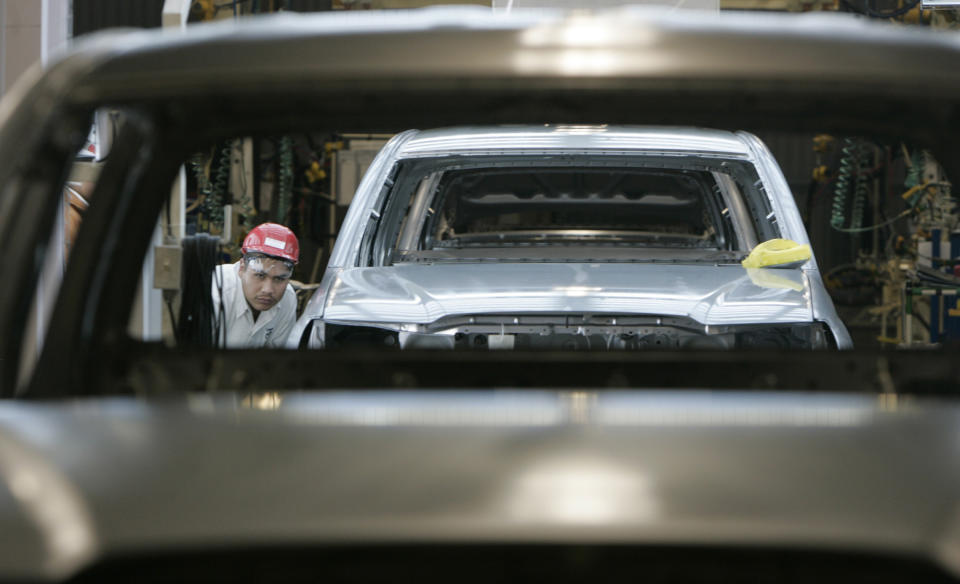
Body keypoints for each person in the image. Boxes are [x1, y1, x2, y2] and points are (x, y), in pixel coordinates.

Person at [211, 222, 299, 348]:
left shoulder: (288, 299)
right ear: (241, 268)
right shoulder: (216, 292)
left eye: (279, 279)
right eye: (260, 275)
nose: (268, 290)